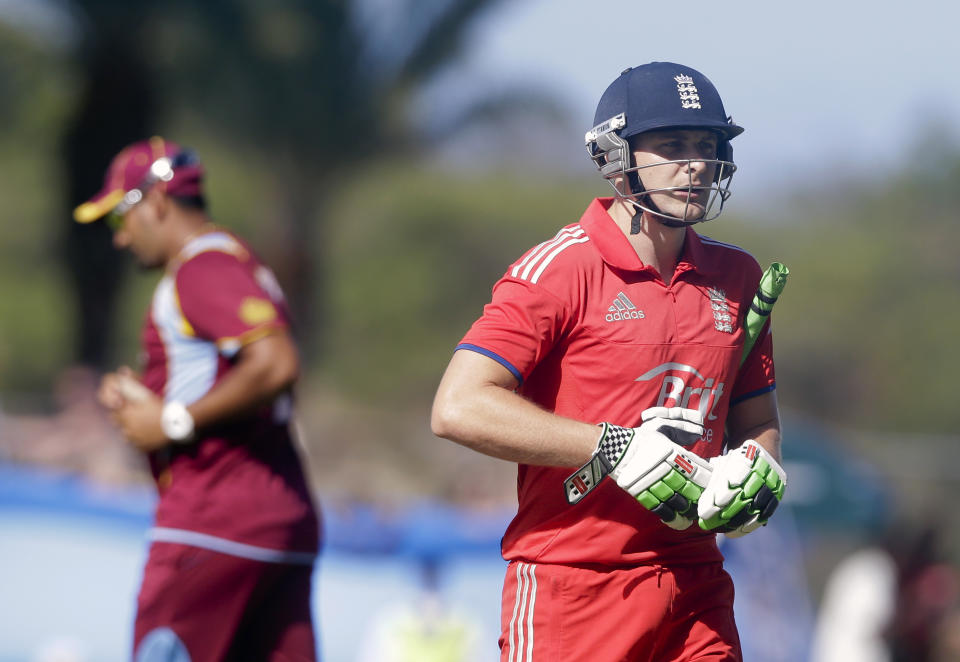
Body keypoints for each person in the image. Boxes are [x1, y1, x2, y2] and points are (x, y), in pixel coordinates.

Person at [431, 62, 787, 661]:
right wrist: (614, 447)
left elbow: (756, 419)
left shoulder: (740, 276)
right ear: (616, 156)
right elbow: (458, 407)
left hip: (696, 585)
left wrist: (758, 468)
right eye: (671, 145)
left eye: (706, 145)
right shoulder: (562, 267)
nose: (695, 163)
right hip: (571, 584)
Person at [74, 136, 321, 661]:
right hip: (282, 520)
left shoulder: (201, 270)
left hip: (214, 522)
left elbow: (276, 363)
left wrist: (173, 422)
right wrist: (152, 401)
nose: (120, 240)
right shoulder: (239, 261)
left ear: (156, 203)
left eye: (120, 219)